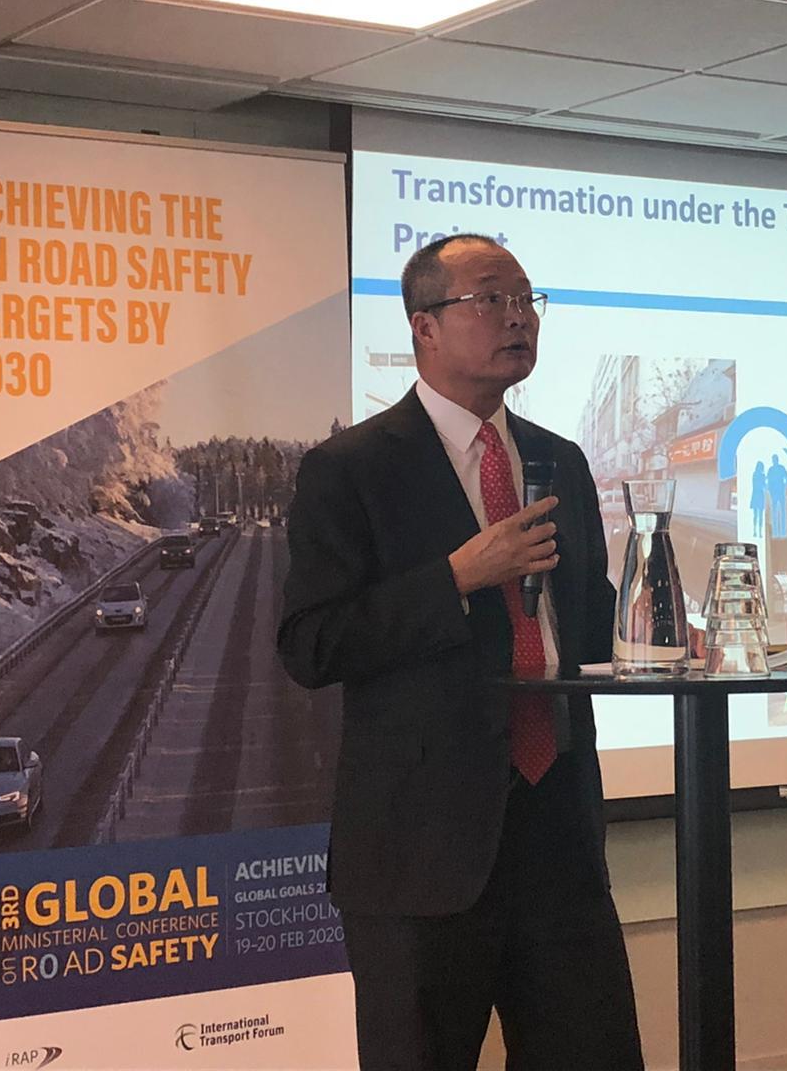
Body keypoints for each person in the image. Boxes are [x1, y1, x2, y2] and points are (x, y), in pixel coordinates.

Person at [278, 234, 643, 1071]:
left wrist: (654, 632)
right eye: (491, 299)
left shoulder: (559, 461)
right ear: (425, 327)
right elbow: (311, 643)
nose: (518, 318)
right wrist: (455, 578)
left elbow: (584, 630)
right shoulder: (351, 468)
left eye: (527, 301)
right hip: (422, 852)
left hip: (558, 832)